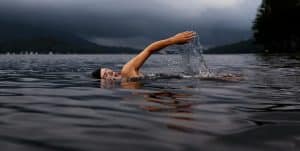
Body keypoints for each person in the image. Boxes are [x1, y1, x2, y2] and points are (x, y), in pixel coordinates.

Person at [92, 31, 196, 80]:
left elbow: (149, 49)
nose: (109, 72)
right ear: (104, 83)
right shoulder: (124, 81)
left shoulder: (126, 71)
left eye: (107, 70)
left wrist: (173, 40)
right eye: (105, 75)